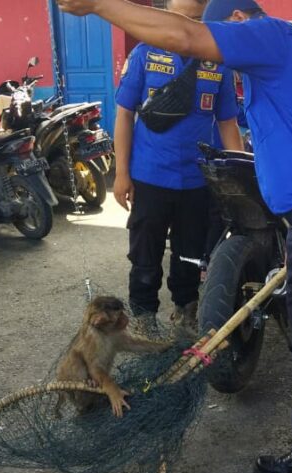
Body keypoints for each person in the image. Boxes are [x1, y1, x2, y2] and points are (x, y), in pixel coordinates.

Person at [58, 0, 292, 473]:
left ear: (236, 23)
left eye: (215, 34)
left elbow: (185, 38)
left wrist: (99, 4)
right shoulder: (260, 76)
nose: (212, 48)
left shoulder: (272, 36)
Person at [113, 0, 243, 333]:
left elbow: (228, 123)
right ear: (167, 16)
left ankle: (185, 309)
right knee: (145, 251)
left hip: (198, 179)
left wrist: (240, 177)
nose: (189, 30)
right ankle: (143, 314)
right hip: (150, 176)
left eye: (198, 21)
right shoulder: (144, 54)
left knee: (191, 253)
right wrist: (122, 173)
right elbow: (125, 115)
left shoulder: (219, 63)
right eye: (182, 21)